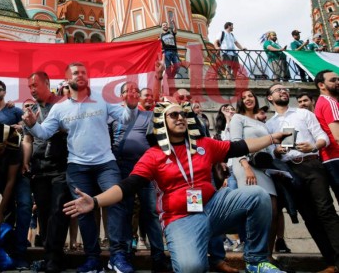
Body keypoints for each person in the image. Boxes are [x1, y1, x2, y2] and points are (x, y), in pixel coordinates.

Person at [64, 101, 290, 273]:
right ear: (162, 121)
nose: (180, 117)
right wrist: (94, 201)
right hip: (181, 220)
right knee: (191, 267)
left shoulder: (203, 144)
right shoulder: (153, 155)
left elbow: (240, 146)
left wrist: (272, 138)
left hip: (214, 208)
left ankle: (256, 261)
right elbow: (127, 186)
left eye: (182, 113)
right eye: (173, 114)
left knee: (258, 195)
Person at [22, 62, 135, 273]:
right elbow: (44, 133)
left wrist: (130, 106)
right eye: (76, 73)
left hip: (106, 163)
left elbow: (126, 119)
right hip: (77, 166)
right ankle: (92, 258)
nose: (80, 75)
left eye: (83, 72)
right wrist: (31, 124)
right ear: (67, 79)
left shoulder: (102, 99)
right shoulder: (60, 108)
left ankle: (118, 256)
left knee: (116, 203)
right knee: (83, 211)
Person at [267, 83, 339, 273]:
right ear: (269, 98)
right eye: (278, 90)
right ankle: (331, 262)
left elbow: (324, 137)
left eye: (285, 89)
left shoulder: (303, 114)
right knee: (309, 217)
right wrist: (276, 150)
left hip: (312, 164)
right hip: (289, 171)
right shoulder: (269, 125)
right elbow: (269, 153)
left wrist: (314, 146)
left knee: (326, 210)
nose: (283, 91)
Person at [110, 81, 172, 273]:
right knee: (125, 213)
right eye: (129, 91)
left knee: (151, 214)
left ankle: (158, 256)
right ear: (121, 96)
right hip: (121, 169)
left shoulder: (149, 115)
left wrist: (159, 77)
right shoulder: (112, 116)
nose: (133, 93)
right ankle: (126, 254)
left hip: (146, 169)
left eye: (136, 91)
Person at [22, 71, 70, 273]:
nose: (32, 90)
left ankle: (53, 259)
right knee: (42, 213)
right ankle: (50, 256)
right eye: (30, 87)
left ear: (47, 84)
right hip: (39, 168)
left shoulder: (63, 104)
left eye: (35, 85)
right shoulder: (30, 110)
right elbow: (27, 140)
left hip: (61, 166)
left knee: (58, 212)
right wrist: (25, 162)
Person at [0, 79, 30, 269]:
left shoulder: (14, 146)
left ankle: (19, 253)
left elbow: (11, 180)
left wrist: (0, 212)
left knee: (25, 205)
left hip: (16, 171)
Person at [229, 90, 278, 259]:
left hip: (264, 168)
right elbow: (235, 142)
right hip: (246, 166)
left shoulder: (261, 122)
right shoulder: (237, 118)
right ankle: (254, 256)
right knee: (255, 210)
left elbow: (268, 146)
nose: (248, 99)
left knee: (273, 210)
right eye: (243, 98)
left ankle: (268, 256)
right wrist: (246, 166)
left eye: (250, 96)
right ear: (240, 102)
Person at [314, 70, 339, 201]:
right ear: (321, 85)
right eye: (333, 80)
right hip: (336, 156)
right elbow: (338, 136)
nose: (338, 82)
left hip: (330, 159)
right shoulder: (330, 102)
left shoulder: (321, 102)